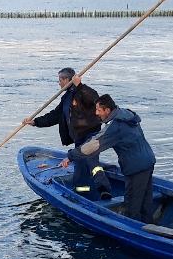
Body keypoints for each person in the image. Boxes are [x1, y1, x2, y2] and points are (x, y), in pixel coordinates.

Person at [60, 94, 156, 223]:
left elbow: (92, 146)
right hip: (148, 161)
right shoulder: (127, 114)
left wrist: (70, 156)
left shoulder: (115, 127)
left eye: (99, 110)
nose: (96, 113)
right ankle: (148, 226)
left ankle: (135, 234)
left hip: (136, 167)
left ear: (108, 110)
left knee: (132, 207)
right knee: (146, 202)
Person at [23, 68, 111, 200]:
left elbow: (93, 97)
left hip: (91, 135)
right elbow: (55, 116)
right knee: (80, 167)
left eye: (60, 80)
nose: (59, 84)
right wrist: (35, 122)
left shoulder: (82, 92)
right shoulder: (66, 97)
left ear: (66, 80)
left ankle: (103, 189)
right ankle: (83, 194)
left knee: (91, 160)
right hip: (79, 138)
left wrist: (79, 85)